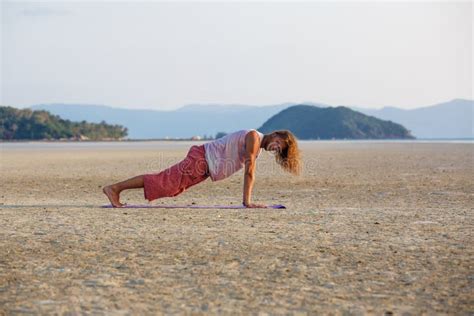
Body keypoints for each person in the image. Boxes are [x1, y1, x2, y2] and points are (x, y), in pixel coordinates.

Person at [103, 129, 301, 208]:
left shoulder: (257, 144)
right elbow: (250, 170)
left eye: (279, 150)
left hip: (204, 166)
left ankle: (116, 189)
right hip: (201, 160)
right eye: (278, 144)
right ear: (274, 135)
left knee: (170, 188)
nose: (275, 149)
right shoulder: (253, 138)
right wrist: (247, 202)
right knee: (164, 182)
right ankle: (114, 189)